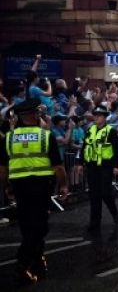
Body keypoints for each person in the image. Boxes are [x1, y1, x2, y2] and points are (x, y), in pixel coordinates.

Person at [0, 99, 68, 285]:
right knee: (39, 227)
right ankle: (21, 266)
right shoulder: (46, 136)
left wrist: (6, 187)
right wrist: (63, 186)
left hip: (19, 188)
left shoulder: (9, 137)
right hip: (41, 187)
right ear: (34, 115)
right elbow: (59, 167)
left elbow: (3, 169)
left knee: (27, 226)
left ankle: (38, 262)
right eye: (38, 113)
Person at [80, 104, 118, 234]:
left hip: (106, 166)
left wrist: (116, 166)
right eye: (95, 115)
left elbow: (116, 150)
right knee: (94, 195)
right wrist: (80, 162)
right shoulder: (90, 130)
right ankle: (94, 223)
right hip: (92, 166)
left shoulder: (111, 131)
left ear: (105, 117)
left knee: (105, 192)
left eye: (100, 116)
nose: (97, 118)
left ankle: (115, 213)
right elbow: (84, 147)